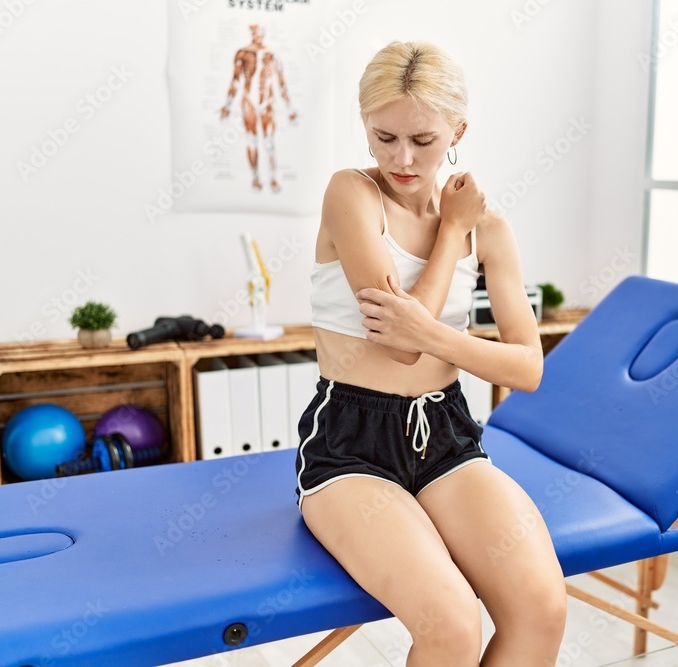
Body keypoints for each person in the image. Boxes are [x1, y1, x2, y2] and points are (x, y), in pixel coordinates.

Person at [297, 41, 567, 666]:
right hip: (349, 445)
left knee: (542, 608)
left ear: (458, 133)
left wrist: (433, 336)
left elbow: (528, 368)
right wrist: (450, 231)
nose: (402, 158)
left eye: (422, 139)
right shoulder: (352, 195)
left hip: (445, 434)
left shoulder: (492, 230)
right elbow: (394, 347)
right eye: (383, 136)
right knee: (451, 624)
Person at [219, 24, 297, 193]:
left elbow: (281, 83)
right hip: (249, 103)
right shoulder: (243, 53)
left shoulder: (272, 55)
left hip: (267, 103)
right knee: (252, 141)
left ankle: (273, 178)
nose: (258, 35)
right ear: (251, 33)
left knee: (269, 142)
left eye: (260, 32)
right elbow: (235, 81)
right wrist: (227, 104)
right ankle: (255, 177)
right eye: (255, 32)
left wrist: (289, 108)